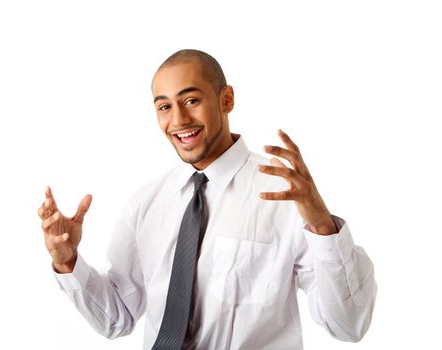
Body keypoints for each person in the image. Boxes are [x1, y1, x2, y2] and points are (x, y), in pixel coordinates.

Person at [38, 49, 377, 350]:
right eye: (164, 107)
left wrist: (321, 224)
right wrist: (69, 263)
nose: (178, 120)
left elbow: (349, 326)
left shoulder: (285, 194)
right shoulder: (146, 204)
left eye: (191, 100)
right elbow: (117, 319)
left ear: (226, 99)